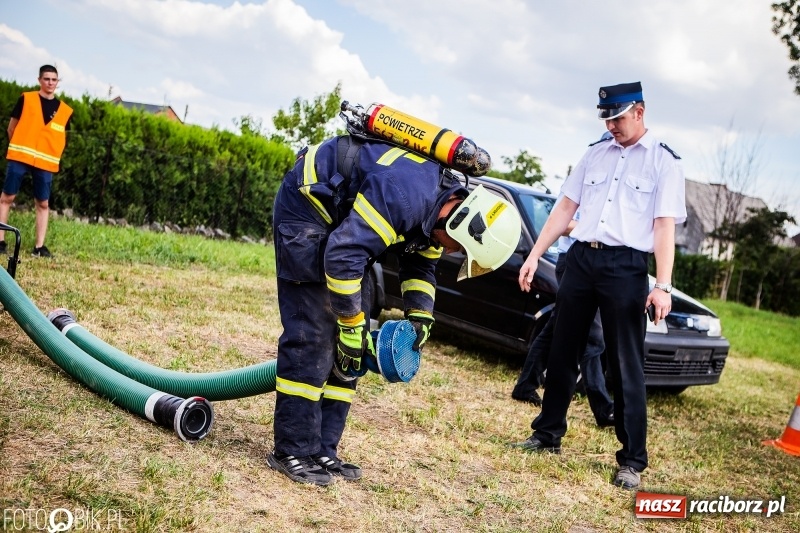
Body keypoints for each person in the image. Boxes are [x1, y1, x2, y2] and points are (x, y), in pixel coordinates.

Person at [269, 132, 522, 486]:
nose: (454, 255)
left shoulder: (441, 213)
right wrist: (351, 322)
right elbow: (343, 256)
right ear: (463, 224)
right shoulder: (405, 196)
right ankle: (293, 449)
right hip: (308, 207)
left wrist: (420, 315)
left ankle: (323, 449)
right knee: (313, 334)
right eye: (461, 250)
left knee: (351, 351)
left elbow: (421, 266)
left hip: (346, 231)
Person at [511, 81, 686, 491]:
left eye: (618, 118)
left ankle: (631, 460)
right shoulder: (594, 153)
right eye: (606, 119)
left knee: (625, 362)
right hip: (581, 260)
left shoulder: (664, 162)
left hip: (625, 266)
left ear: (640, 112)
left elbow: (663, 228)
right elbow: (565, 208)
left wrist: (663, 285)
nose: (612, 126)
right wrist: (536, 254)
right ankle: (547, 433)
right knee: (563, 347)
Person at [512, 199, 614, 429]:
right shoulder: (582, 183)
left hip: (589, 264)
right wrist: (597, 231)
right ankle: (604, 408)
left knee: (555, 326)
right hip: (571, 261)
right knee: (593, 335)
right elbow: (562, 222)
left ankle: (525, 386)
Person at [1, 65, 73, 258]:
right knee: (7, 197)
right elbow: (11, 128)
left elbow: (61, 140)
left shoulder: (65, 111)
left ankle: (39, 247)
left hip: (44, 163)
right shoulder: (26, 99)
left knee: (43, 203)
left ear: (58, 82)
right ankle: (0, 241)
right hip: (20, 157)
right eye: (47, 79)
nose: (50, 83)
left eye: (54, 79)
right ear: (39, 80)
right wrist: (20, 148)